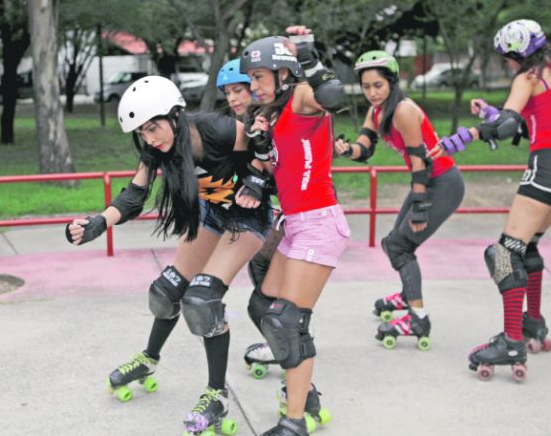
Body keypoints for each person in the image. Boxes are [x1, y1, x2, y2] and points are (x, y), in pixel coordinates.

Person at [64, 75, 271, 434]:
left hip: (248, 217)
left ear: (175, 115)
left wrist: (257, 178)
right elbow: (133, 195)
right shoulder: (157, 149)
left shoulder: (217, 130)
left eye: (154, 127)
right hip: (212, 216)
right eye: (143, 132)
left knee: (202, 301)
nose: (151, 138)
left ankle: (217, 395)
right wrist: (99, 222)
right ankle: (149, 358)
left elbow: (267, 153)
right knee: (165, 292)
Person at [430, 19, 551, 381]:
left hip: (548, 167)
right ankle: (533, 323)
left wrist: (463, 136)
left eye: (507, 58)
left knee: (503, 252)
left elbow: (505, 127)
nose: (507, 65)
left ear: (518, 54)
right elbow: (532, 120)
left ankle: (512, 341)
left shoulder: (527, 78)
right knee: (527, 246)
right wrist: (490, 113)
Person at [240, 26, 349, 436]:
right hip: (295, 224)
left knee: (289, 322)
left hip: (320, 222)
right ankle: (308, 396)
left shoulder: (303, 96)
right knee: (261, 307)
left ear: (282, 74)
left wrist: (307, 56)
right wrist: (256, 178)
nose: (253, 86)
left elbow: (334, 97)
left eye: (258, 77)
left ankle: (295, 421)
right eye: (251, 79)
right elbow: (277, 166)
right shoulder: (274, 116)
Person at [334, 50, 465, 350]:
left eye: (378, 85)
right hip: (427, 182)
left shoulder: (404, 110)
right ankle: (408, 294)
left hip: (441, 183)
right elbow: (365, 149)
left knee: (401, 246)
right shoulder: (376, 111)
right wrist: (346, 150)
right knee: (395, 242)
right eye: (366, 87)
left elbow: (420, 160)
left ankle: (418, 317)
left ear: (392, 82)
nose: (372, 93)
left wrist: (420, 207)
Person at [216, 58, 286, 377]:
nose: (232, 98)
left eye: (239, 90)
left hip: (296, 210)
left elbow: (275, 169)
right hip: (278, 209)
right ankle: (287, 334)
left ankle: (286, 342)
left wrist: (258, 181)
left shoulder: (265, 121)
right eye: (228, 92)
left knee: (263, 275)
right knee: (263, 270)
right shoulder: (242, 125)